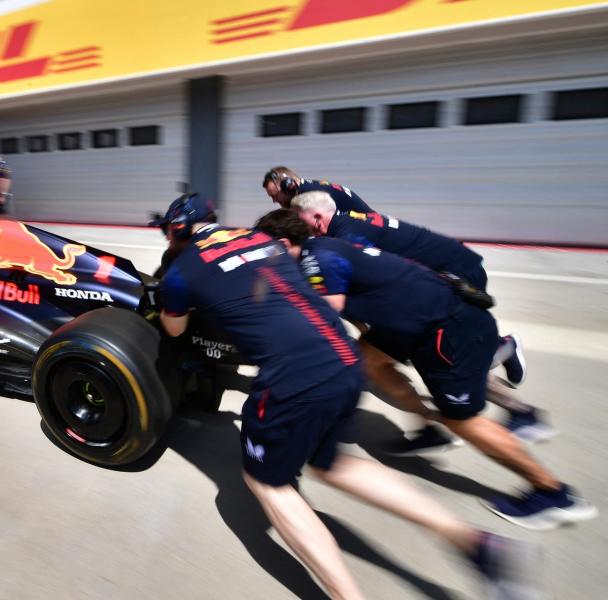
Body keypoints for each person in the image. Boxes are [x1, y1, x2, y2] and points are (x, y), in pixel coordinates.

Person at [155, 193, 540, 598]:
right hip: (342, 357)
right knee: (334, 466)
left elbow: (176, 330)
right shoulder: (263, 240)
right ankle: (475, 543)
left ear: (178, 231)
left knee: (269, 484)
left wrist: (177, 304)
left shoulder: (183, 270)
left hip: (291, 376)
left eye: (167, 232)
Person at [255, 207, 597, 531]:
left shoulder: (318, 257)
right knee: (367, 360)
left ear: (284, 244)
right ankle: (431, 428)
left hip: (447, 333)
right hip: (421, 324)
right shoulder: (323, 248)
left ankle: (554, 493)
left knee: (465, 421)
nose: (263, 257)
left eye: (264, 249)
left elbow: (325, 316)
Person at [290, 191, 542, 452]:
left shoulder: (342, 238)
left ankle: (514, 391)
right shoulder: (344, 225)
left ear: (318, 217)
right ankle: (432, 424)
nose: (300, 230)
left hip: (450, 278)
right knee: (376, 359)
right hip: (432, 286)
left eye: (300, 221)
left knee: (455, 360)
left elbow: (365, 287)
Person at [262, 166, 373, 213]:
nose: (274, 201)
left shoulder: (308, 197)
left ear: (288, 185)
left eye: (275, 195)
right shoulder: (308, 186)